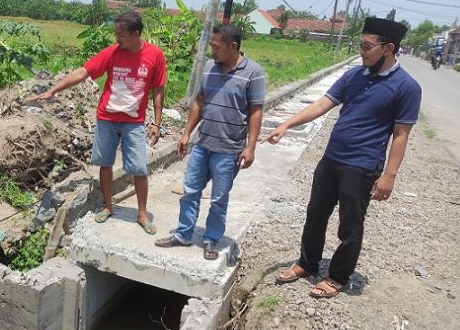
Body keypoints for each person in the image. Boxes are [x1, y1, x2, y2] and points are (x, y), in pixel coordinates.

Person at [267, 17, 422, 298]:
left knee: (350, 226)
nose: (361, 51)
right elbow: (322, 104)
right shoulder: (354, 76)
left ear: (388, 48)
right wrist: (287, 124)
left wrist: (389, 176)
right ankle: (306, 262)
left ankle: (337, 276)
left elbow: (401, 135)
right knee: (315, 215)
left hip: (362, 167)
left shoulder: (407, 87)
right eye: (360, 45)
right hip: (331, 160)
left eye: (367, 46)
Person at [30, 11, 166, 235]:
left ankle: (142, 213)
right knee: (105, 164)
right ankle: (108, 206)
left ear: (136, 34)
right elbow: (84, 72)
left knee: (140, 169)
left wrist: (157, 123)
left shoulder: (155, 56)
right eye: (116, 34)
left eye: (121, 35)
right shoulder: (112, 53)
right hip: (107, 119)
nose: (117, 39)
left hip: (134, 122)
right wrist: (53, 90)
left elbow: (158, 89)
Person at [155, 24, 265, 260]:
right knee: (190, 191)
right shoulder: (208, 68)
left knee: (218, 199)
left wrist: (251, 146)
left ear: (233, 47)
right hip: (202, 144)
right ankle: (183, 234)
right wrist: (186, 133)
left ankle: (211, 239)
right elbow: (199, 101)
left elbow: (256, 110)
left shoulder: (253, 73)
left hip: (229, 150)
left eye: (216, 47)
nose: (212, 52)